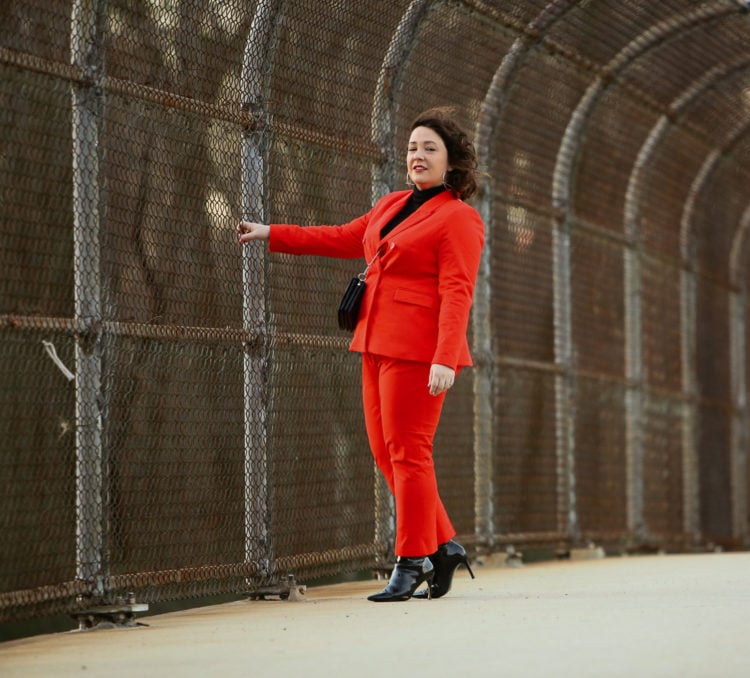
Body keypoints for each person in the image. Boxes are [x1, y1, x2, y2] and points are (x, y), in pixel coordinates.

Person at [238, 107, 485, 602]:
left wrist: (444, 356)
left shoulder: (459, 218)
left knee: (410, 452)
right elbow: (342, 237)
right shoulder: (392, 204)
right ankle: (444, 546)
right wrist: (270, 233)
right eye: (413, 147)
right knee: (384, 452)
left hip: (419, 351)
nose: (417, 155)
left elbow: (458, 289)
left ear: (452, 162)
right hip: (374, 341)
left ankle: (411, 558)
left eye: (429, 148)